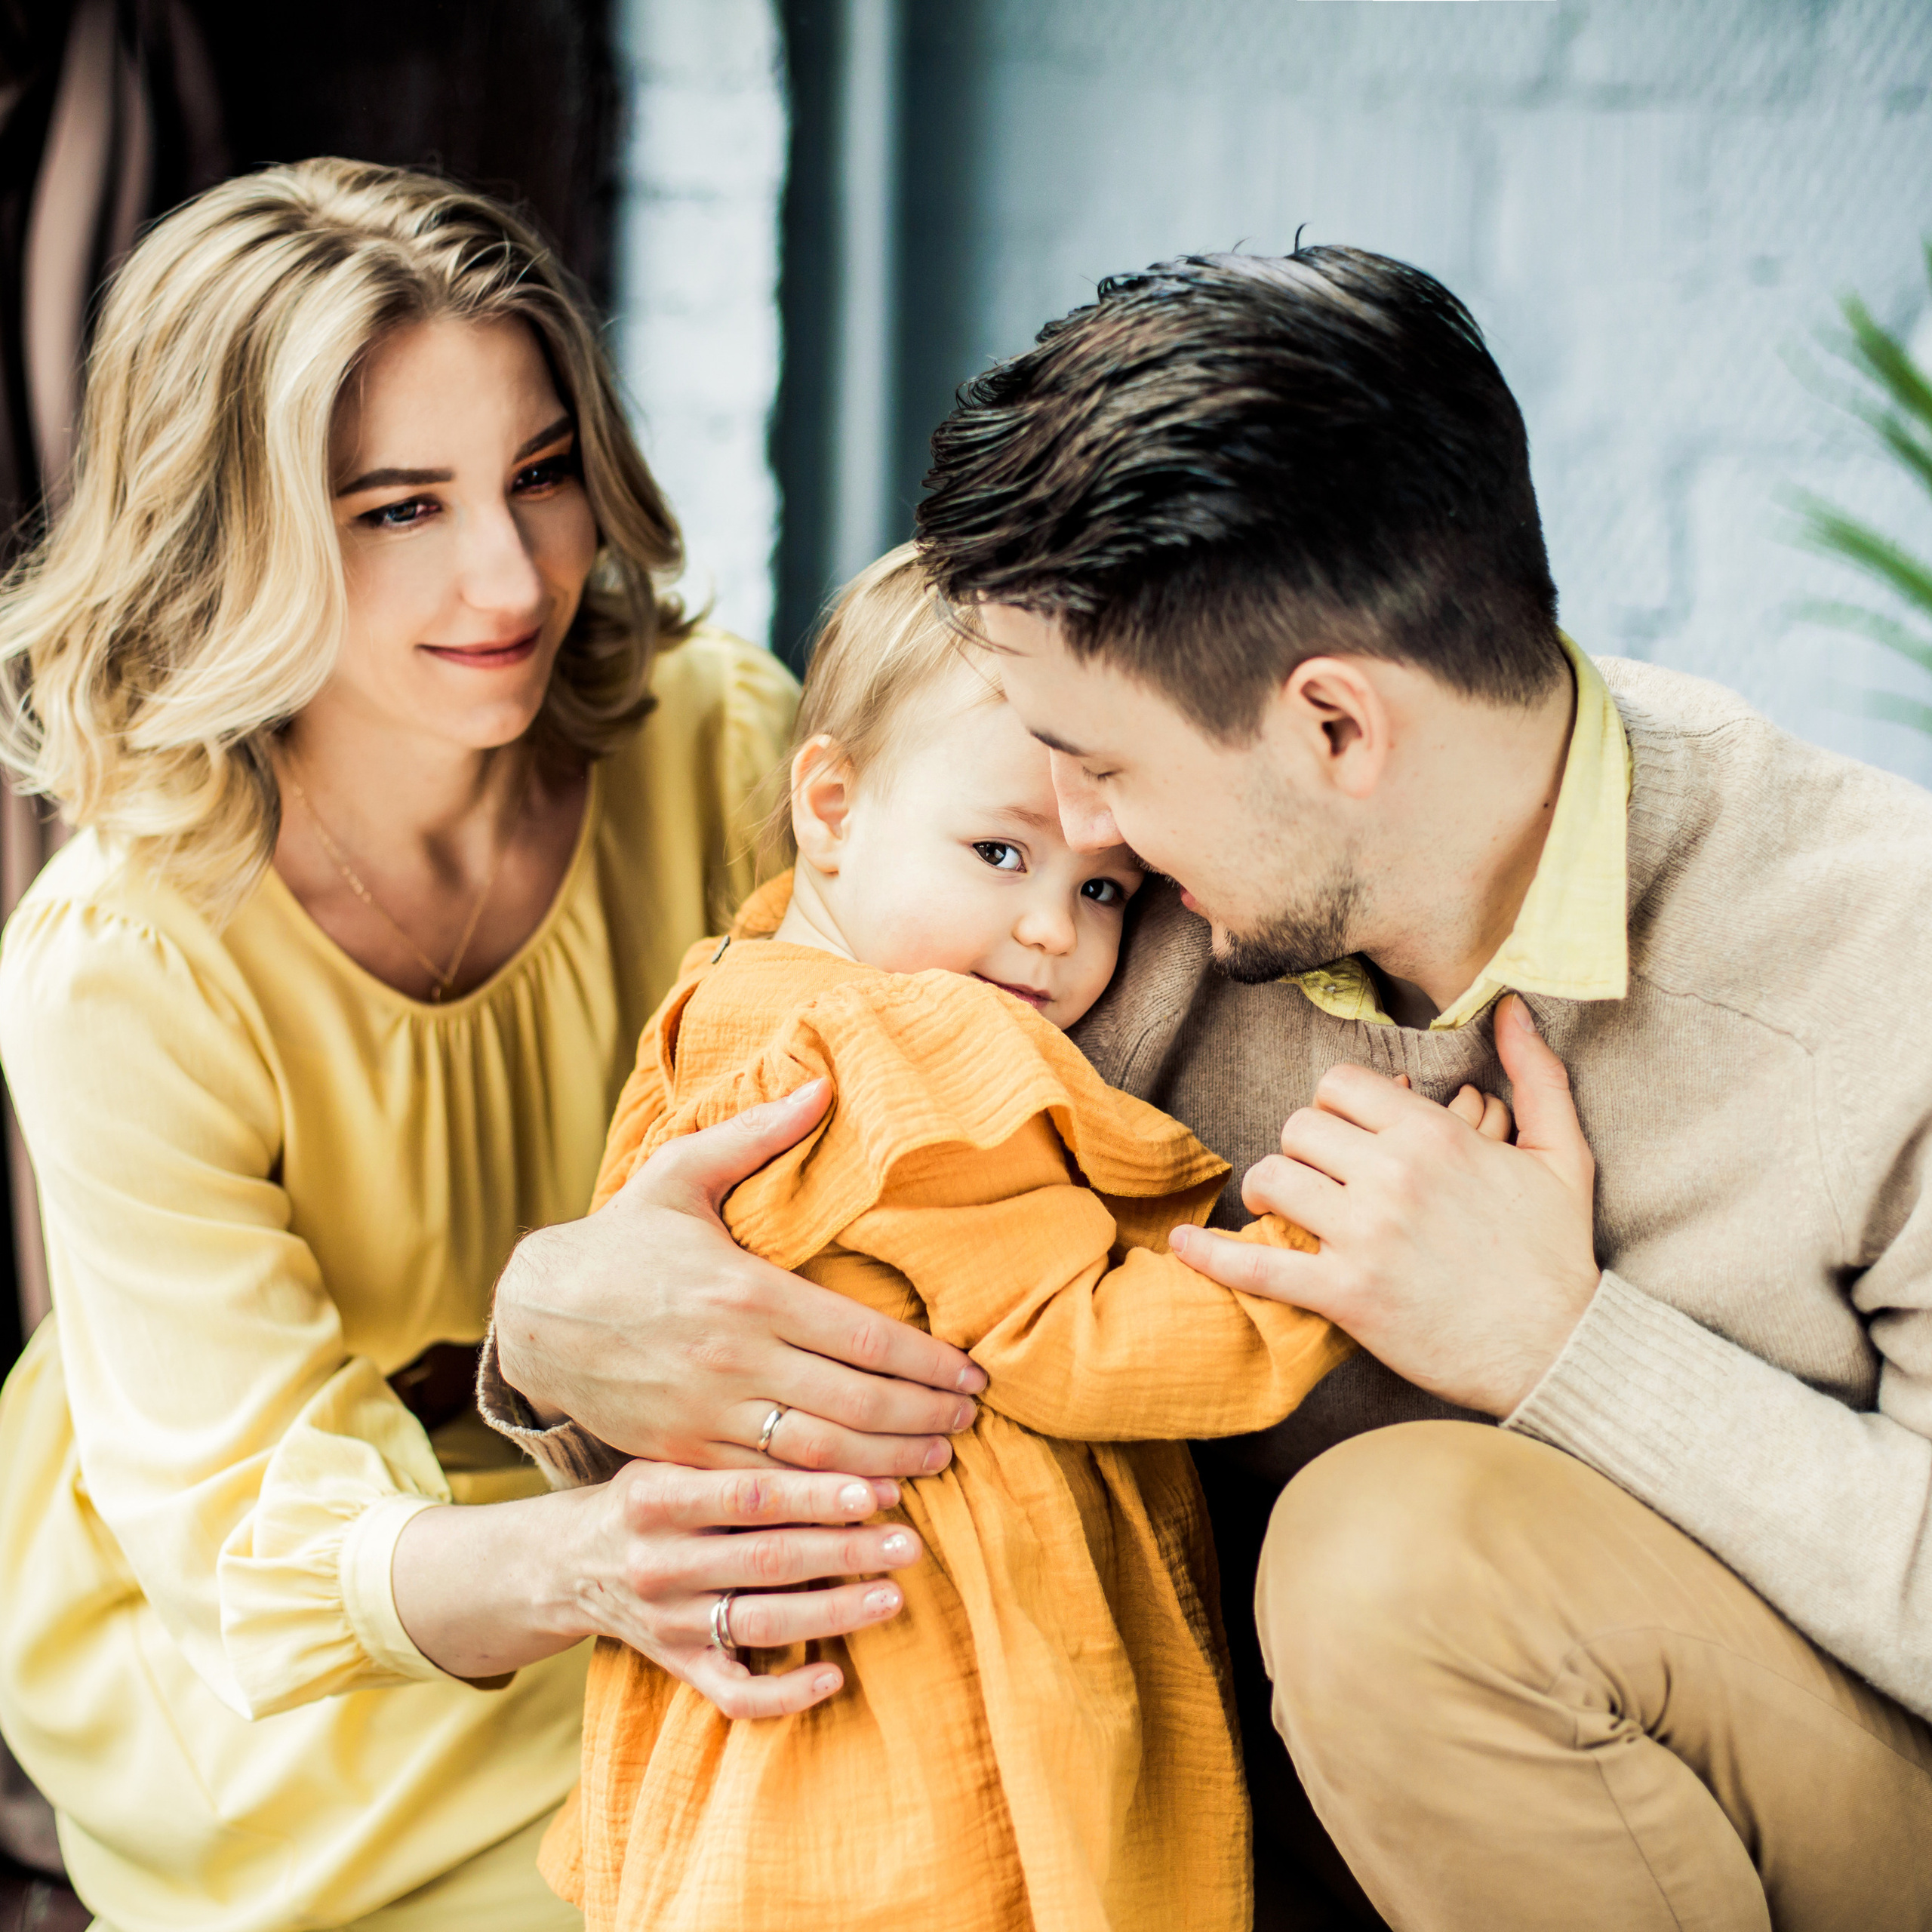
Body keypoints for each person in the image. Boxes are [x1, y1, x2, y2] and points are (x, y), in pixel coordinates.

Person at [491, 243, 1932, 1932]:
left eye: (1101, 767)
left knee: (1390, 1556)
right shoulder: (1094, 926)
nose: (1076, 843)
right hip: (1230, 1831)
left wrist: (1560, 1344)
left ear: (1334, 729)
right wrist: (566, 1322)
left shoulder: (1876, 954)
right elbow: (856, 1223)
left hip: (1816, 1792)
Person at [0, 158, 983, 1932]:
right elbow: (258, 1545)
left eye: (539, 471)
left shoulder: (711, 740)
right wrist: (603, 1561)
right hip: (300, 1641)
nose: (511, 572)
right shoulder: (121, 964)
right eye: (399, 506)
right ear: (228, 530)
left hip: (660, 1503)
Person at [509, 544, 1386, 1932]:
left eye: (1104, 889)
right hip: (920, 1676)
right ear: (832, 806)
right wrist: (1330, 1259)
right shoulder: (902, 1038)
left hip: (764, 1680)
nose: (1051, 933)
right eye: (1000, 854)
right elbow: (1073, 1340)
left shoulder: (718, 1005)